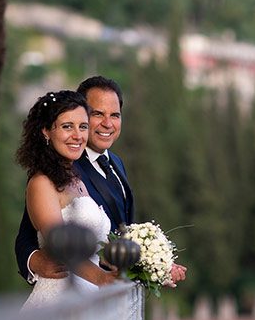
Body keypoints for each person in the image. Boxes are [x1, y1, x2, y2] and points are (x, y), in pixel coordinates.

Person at [14, 75, 186, 285]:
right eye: (97, 114)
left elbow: (117, 235)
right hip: (73, 287)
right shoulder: (56, 168)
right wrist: (33, 261)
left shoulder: (116, 163)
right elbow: (28, 235)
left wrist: (156, 266)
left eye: (115, 115)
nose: (107, 123)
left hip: (110, 294)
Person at [15, 90, 117, 309]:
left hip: (88, 297)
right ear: (45, 132)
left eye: (82, 127)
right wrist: (102, 279)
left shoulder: (76, 179)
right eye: (67, 126)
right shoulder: (41, 183)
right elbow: (62, 247)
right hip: (59, 299)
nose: (78, 136)